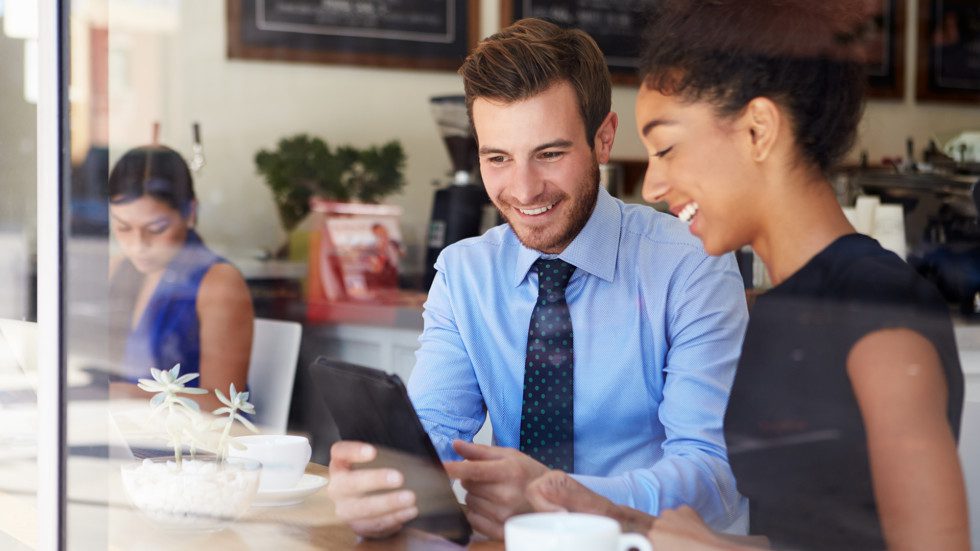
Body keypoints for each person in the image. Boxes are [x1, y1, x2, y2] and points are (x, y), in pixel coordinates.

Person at [524, 1, 969, 549]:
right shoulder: (783, 309)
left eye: (666, 148)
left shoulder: (875, 306)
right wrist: (626, 520)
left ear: (758, 130)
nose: (653, 186)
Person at [327, 18, 750, 540]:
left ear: (603, 139)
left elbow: (713, 471)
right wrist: (384, 480)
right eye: (498, 158)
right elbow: (432, 432)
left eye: (550, 154)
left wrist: (561, 497)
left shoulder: (692, 264)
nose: (524, 190)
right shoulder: (465, 274)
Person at [108, 145, 254, 410]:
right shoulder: (119, 269)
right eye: (123, 227)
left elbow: (223, 409)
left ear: (190, 213)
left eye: (156, 228)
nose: (138, 244)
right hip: (124, 433)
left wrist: (120, 396)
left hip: (190, 447)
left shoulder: (219, 283)